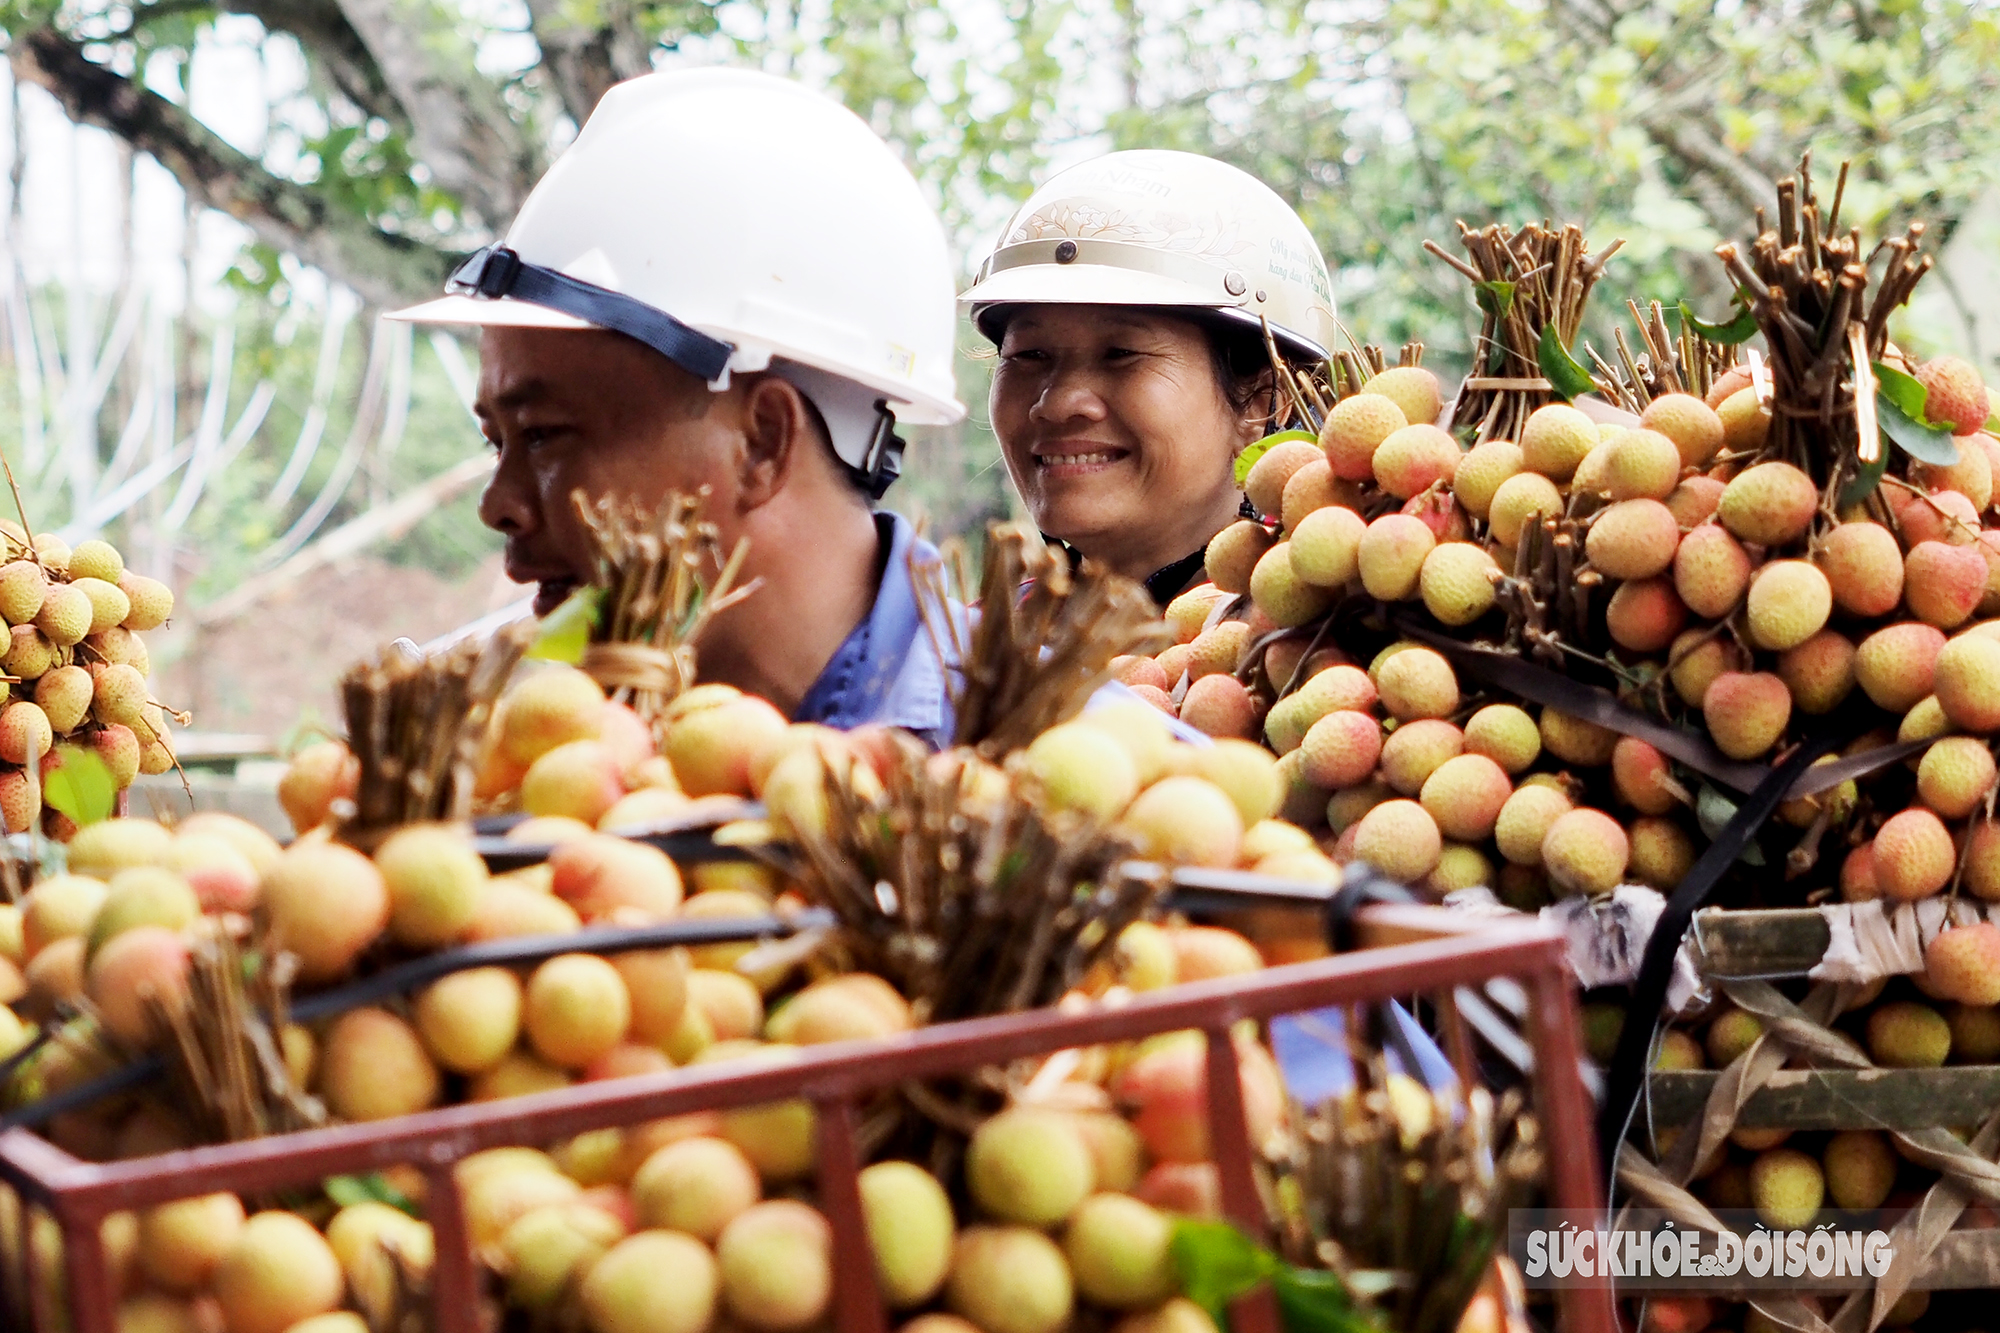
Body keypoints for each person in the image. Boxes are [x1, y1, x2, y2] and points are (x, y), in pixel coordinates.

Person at [389, 68, 967, 746]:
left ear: (762, 443)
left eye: (544, 434)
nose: (498, 506)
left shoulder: (1048, 770)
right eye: (497, 440)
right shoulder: (542, 776)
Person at [959, 150, 1337, 605]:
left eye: (1120, 354)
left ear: (1263, 403)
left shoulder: (1329, 643)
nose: (1057, 403)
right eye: (1029, 354)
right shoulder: (959, 655)